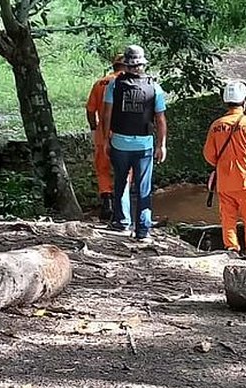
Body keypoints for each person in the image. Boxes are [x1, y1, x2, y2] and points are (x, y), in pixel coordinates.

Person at [99, 45, 167, 241]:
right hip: (144, 145)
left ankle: (122, 223)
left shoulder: (114, 85)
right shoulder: (154, 86)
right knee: (143, 188)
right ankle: (143, 231)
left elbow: (106, 115)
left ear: (126, 65)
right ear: (142, 64)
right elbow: (160, 119)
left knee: (121, 182)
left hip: (119, 143)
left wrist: (105, 140)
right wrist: (161, 145)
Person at [203, 80, 246, 257]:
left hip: (224, 181)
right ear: (244, 102)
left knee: (228, 218)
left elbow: (210, 156)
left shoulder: (216, 126)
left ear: (226, 102)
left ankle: (231, 249)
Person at [86, 53, 125, 221]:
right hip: (123, 134)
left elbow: (90, 110)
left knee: (103, 169)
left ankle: (107, 203)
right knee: (124, 170)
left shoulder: (100, 83)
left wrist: (95, 127)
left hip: (103, 135)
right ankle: (122, 208)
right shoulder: (129, 82)